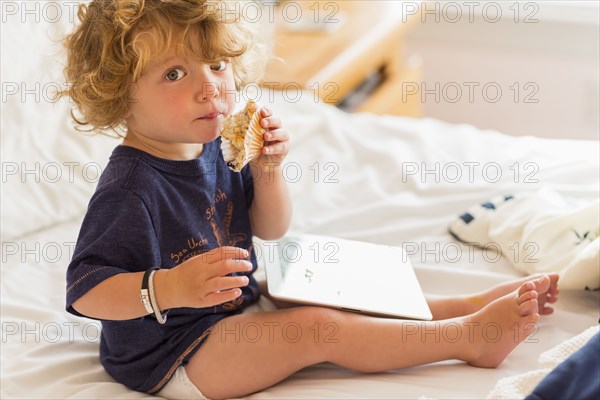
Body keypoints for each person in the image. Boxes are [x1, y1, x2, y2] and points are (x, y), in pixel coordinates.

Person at [62, 1, 560, 399]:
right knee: (317, 329)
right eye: (174, 74)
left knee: (322, 277)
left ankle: (460, 306)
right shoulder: (130, 188)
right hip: (174, 353)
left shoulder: (215, 146)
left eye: (215, 64)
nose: (209, 86)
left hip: (236, 306)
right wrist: (169, 288)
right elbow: (86, 291)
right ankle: (468, 340)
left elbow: (271, 228)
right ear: (119, 95)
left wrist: (269, 170)